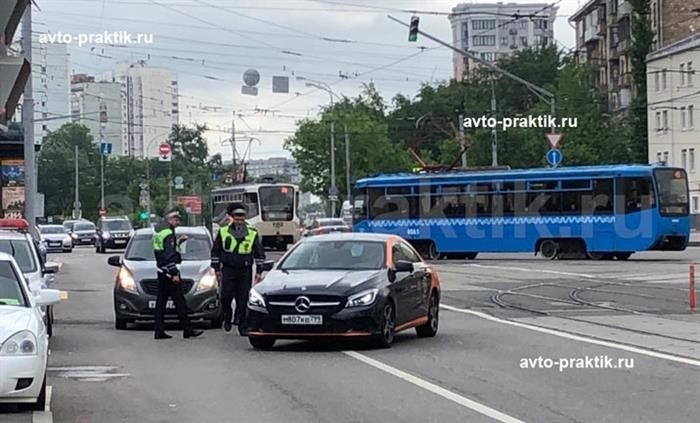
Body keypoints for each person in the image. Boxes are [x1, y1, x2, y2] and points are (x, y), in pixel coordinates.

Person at [211, 202, 265, 335]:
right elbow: (216, 252)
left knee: (243, 299)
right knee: (226, 297)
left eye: (242, 218)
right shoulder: (223, 232)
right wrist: (217, 269)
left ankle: (242, 325)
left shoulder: (252, 233)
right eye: (237, 217)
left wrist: (259, 271)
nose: (240, 220)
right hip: (228, 269)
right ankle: (227, 315)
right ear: (232, 218)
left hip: (244, 270)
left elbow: (259, 253)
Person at [152, 209, 203, 340]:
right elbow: (169, 255)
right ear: (170, 220)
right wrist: (174, 273)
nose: (178, 222)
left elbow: (163, 251)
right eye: (176, 219)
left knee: (160, 303)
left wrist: (179, 242)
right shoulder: (168, 233)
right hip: (169, 273)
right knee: (180, 302)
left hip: (161, 271)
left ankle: (159, 331)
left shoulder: (159, 231)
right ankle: (188, 330)